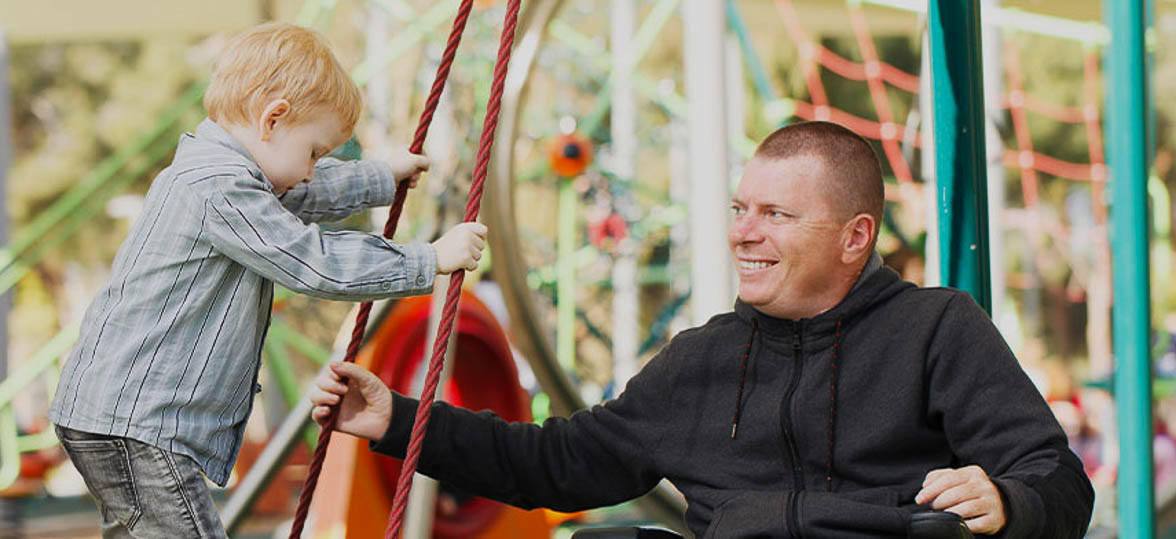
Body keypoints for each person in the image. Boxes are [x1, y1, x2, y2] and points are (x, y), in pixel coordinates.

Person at [310, 121, 1093, 538]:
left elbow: (1056, 479)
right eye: (739, 209)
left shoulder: (936, 329)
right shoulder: (704, 359)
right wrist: (395, 418)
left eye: (776, 215)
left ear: (855, 237)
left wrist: (1008, 500)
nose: (744, 234)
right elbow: (558, 461)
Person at [48, 22, 487, 538]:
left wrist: (377, 178)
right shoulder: (220, 189)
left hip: (115, 417)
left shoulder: (220, 172)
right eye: (315, 152)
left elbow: (297, 194)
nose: (310, 170)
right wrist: (428, 258)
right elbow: (313, 261)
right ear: (272, 119)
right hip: (141, 426)